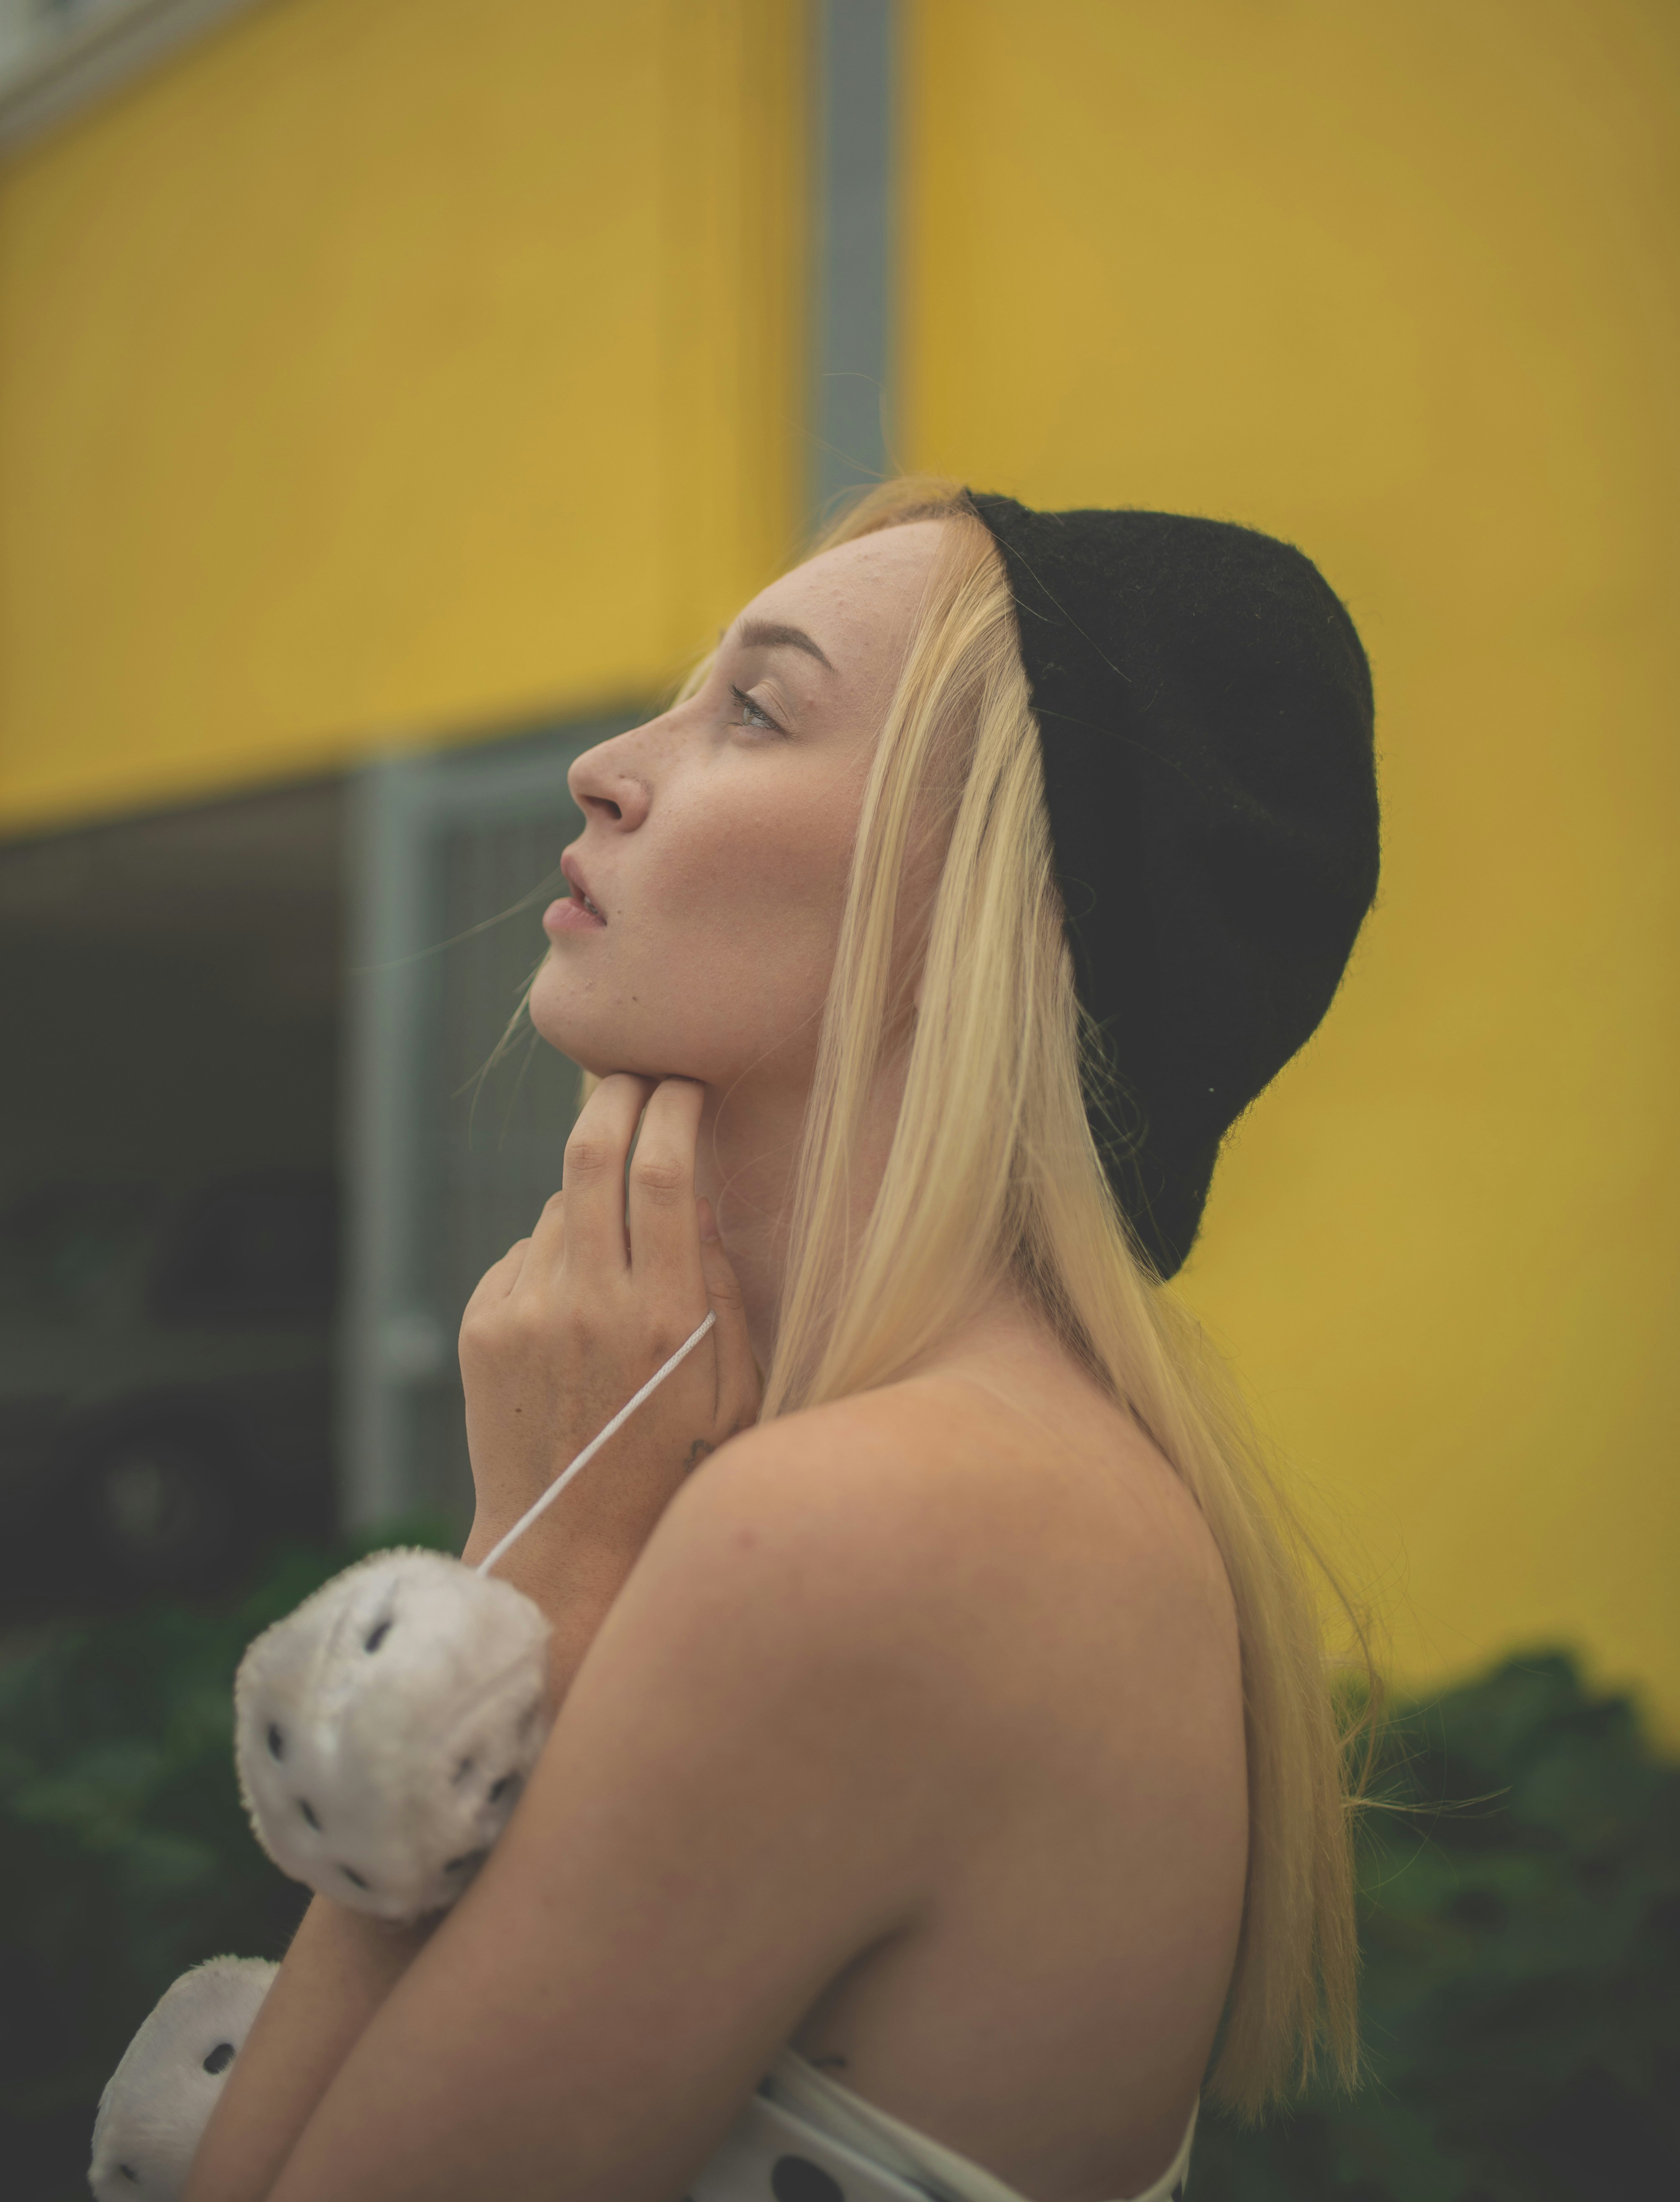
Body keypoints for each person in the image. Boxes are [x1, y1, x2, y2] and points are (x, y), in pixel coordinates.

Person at [185, 478, 1380, 2202]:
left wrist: (536, 1562)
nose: (606, 766)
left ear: (993, 907)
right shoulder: (1019, 1482)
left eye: (755, 709)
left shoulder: (872, 1523)